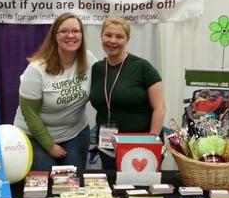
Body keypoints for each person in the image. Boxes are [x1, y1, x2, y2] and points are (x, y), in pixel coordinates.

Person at [13, 13, 97, 171]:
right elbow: (29, 112)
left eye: (75, 31)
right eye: (64, 31)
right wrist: (50, 146)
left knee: (73, 186)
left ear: (81, 35)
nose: (70, 35)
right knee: (48, 184)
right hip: (35, 136)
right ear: (54, 36)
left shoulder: (89, 59)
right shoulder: (36, 69)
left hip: (76, 133)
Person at [89, 17, 166, 169]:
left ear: (127, 39)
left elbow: (160, 108)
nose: (112, 40)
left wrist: (151, 142)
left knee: (141, 192)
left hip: (141, 147)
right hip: (108, 145)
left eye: (119, 36)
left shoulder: (142, 67)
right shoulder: (97, 68)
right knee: (112, 190)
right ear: (101, 36)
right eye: (108, 35)